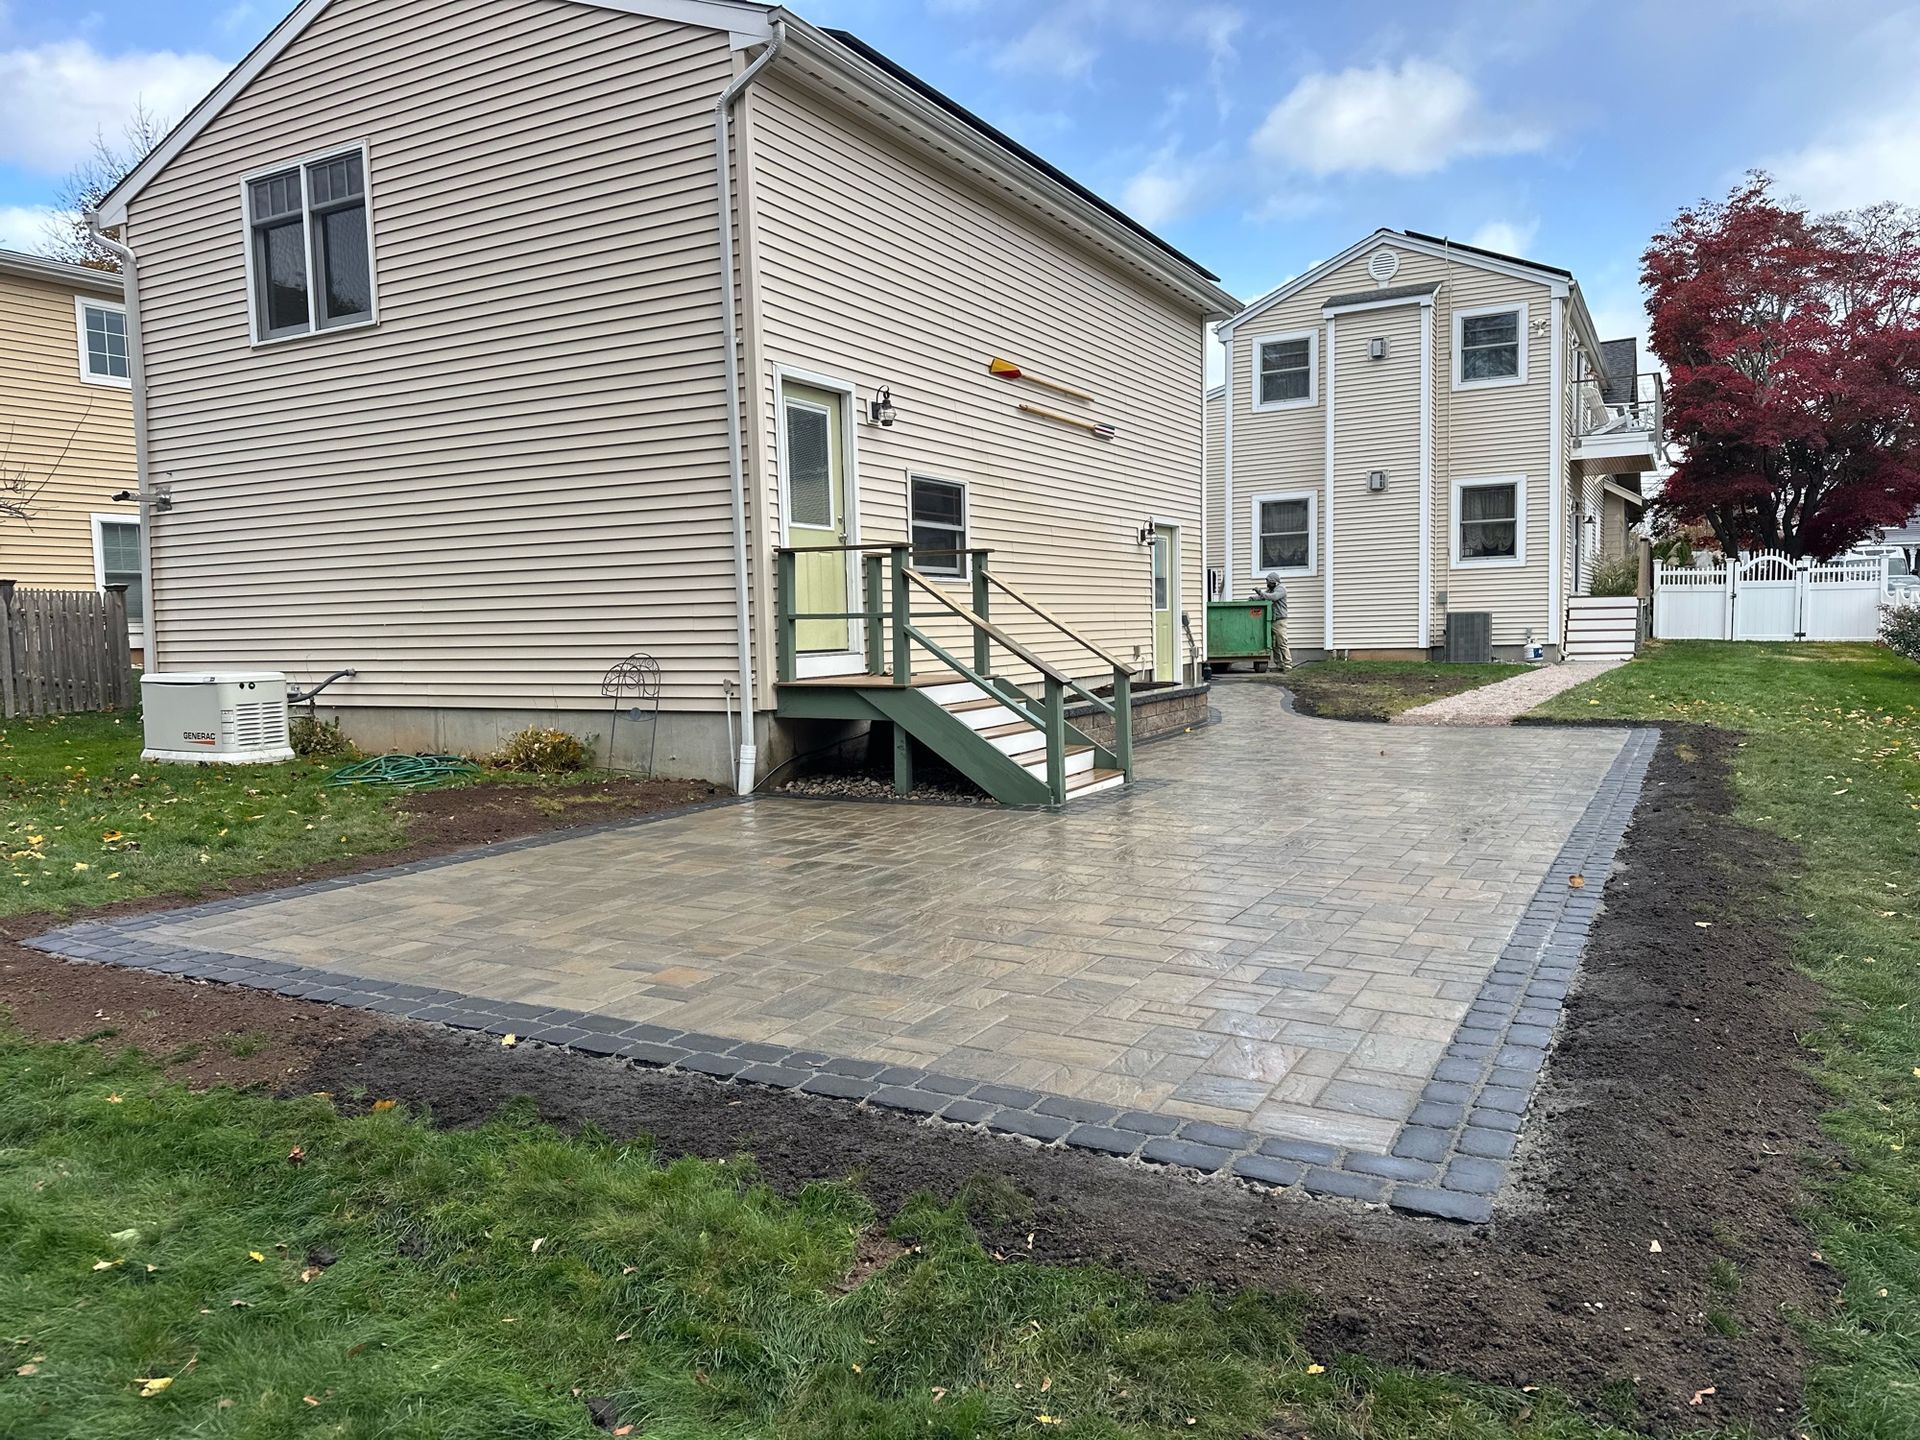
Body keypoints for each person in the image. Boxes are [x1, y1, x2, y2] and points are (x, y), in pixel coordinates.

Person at [1252, 572, 1291, 671]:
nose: (1267, 583)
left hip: (1280, 620)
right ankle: (1279, 665)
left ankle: (1287, 664)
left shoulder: (1281, 589)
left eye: (1268, 581)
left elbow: (1273, 597)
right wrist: (1253, 598)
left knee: (1282, 642)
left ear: (1273, 581)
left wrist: (1260, 592)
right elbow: (1263, 597)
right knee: (1274, 644)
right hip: (1272, 620)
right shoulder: (1270, 590)